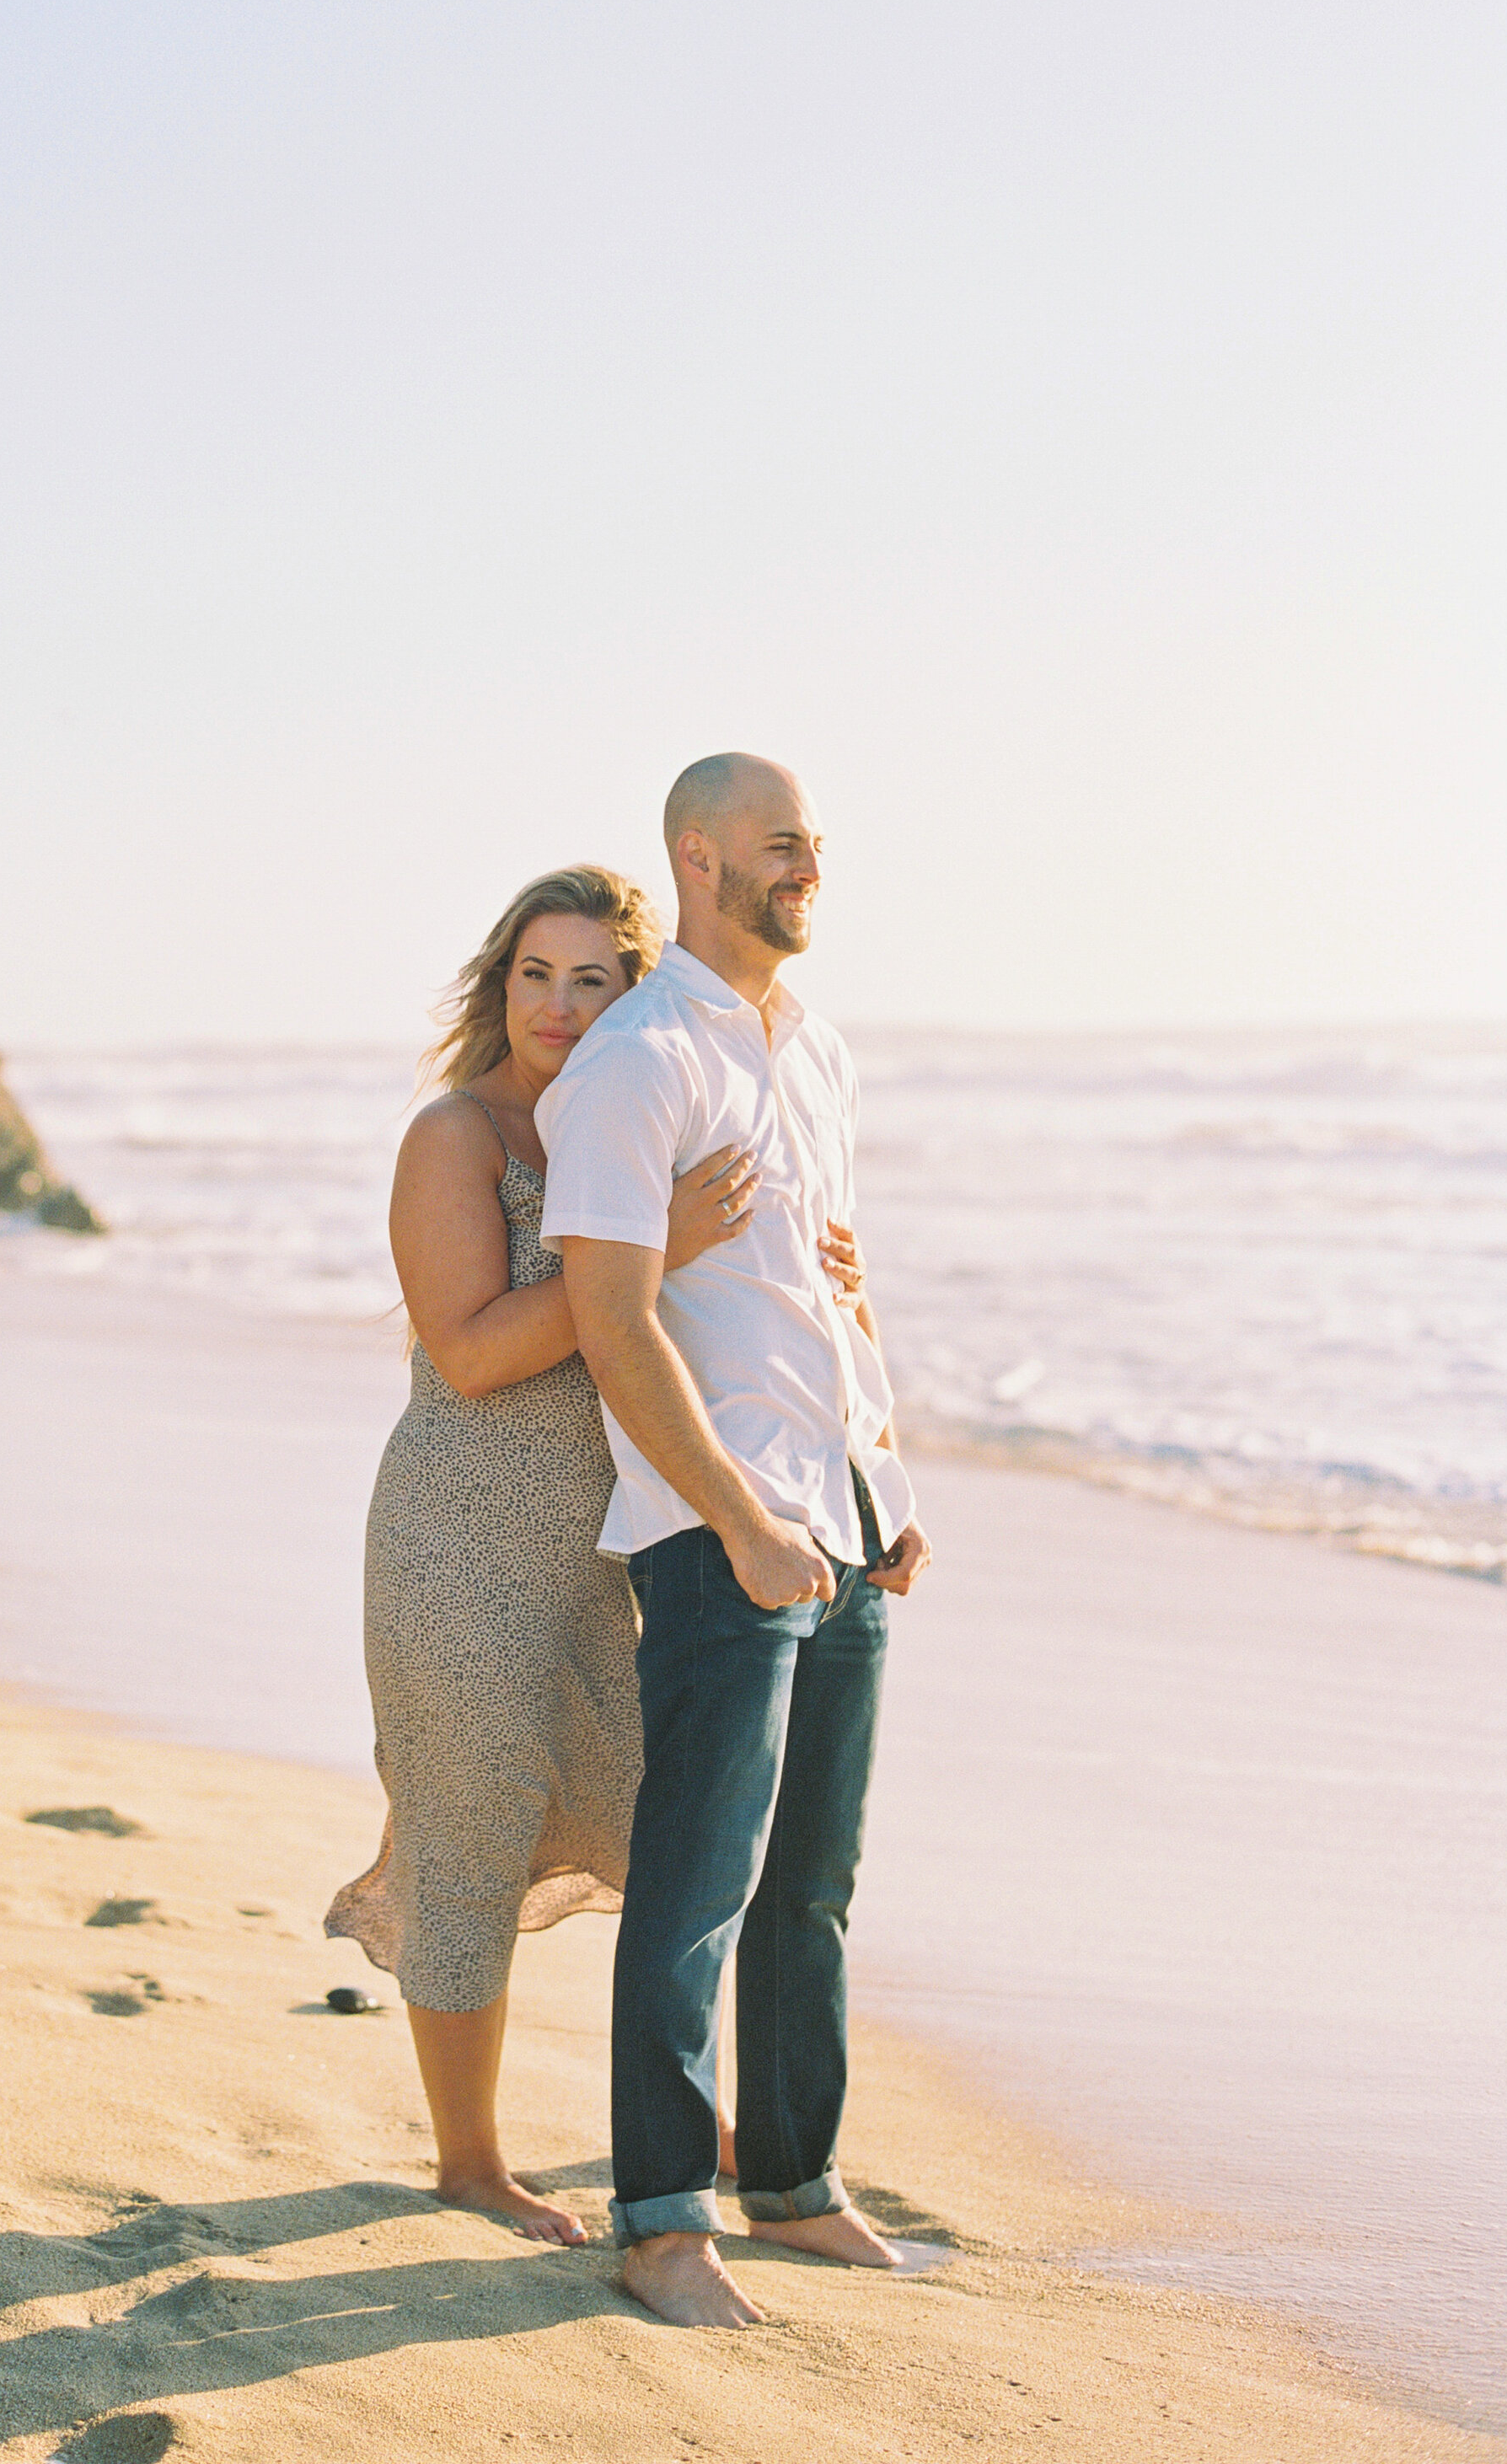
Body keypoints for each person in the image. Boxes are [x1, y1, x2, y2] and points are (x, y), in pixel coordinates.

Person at [537, 753, 935, 2327]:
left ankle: (793, 2181)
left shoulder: (815, 1051)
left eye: (817, 843)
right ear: (699, 858)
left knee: (814, 1882)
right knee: (700, 1881)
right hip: (723, 1526)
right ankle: (661, 2219)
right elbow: (613, 1319)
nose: (809, 865)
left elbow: (824, 1288)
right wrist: (744, 1516)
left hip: (836, 1512)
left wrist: (881, 1482)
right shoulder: (639, 1062)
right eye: (783, 844)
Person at [324, 865, 761, 2245]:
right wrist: (642, 1258)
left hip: (605, 1552)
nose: (559, 1006)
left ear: (637, 998)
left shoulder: (642, 1125)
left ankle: (688, 2116)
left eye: (593, 981)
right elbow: (466, 1354)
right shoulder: (459, 1135)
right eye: (535, 974)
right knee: (470, 1841)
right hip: (457, 1541)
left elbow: (746, 1287)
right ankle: (469, 2162)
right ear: (498, 984)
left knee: (658, 1833)